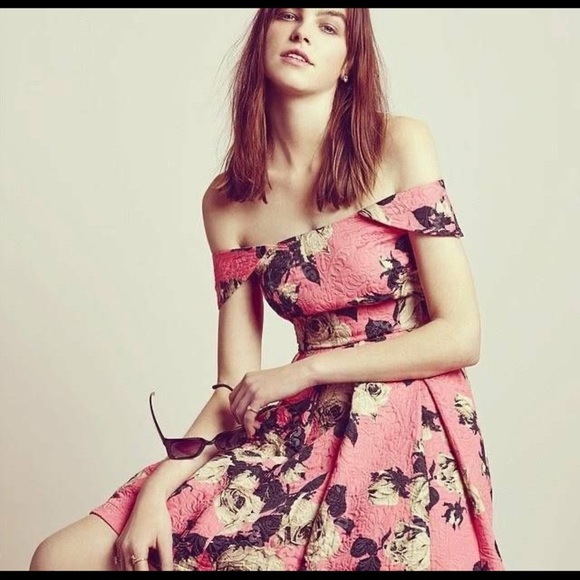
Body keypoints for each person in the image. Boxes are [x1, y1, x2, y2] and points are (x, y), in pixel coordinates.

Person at [29, 8, 504, 572]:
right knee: (60, 558)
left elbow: (461, 335)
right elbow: (232, 388)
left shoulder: (399, 144)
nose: (303, 31)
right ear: (262, 37)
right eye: (288, 15)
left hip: (409, 423)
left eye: (329, 25)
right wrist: (158, 488)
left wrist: (306, 371)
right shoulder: (227, 203)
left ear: (349, 62)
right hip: (301, 430)